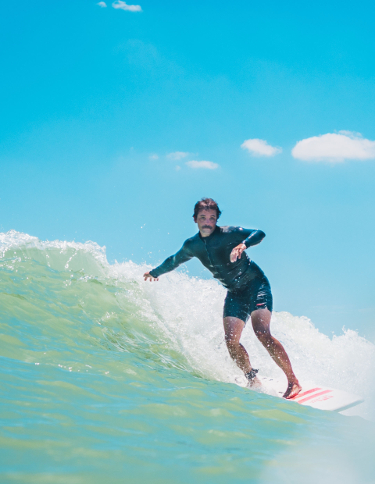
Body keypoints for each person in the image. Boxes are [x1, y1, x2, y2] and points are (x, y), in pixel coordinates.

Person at [143, 198, 301, 399]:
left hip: (256, 285)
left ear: (217, 219)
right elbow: (174, 260)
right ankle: (252, 379)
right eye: (203, 218)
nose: (207, 222)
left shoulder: (229, 233)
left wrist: (243, 245)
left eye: (211, 218)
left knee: (262, 333)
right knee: (231, 341)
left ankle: (293, 381)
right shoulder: (192, 245)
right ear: (195, 220)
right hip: (235, 293)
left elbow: (259, 233)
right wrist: (155, 272)